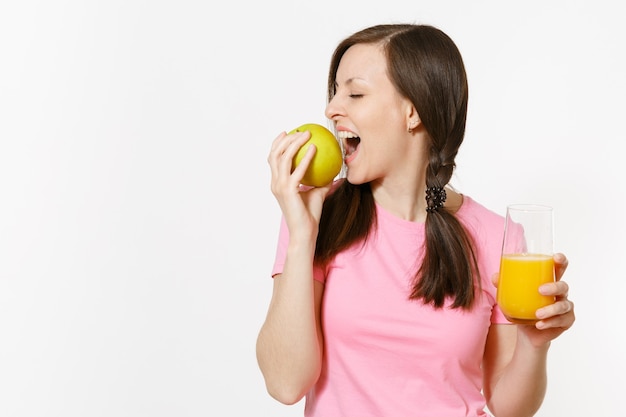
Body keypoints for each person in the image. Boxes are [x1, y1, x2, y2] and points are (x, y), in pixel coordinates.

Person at [256, 23, 575, 417]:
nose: (331, 109)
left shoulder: (496, 236)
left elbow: (510, 407)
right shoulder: (315, 214)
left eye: (355, 93)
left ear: (413, 112)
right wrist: (302, 239)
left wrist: (533, 343)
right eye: (335, 91)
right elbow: (286, 383)